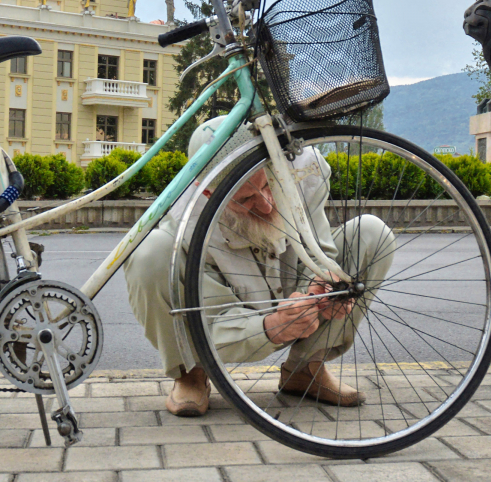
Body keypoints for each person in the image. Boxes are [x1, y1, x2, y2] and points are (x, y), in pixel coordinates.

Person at [124, 116, 395, 417]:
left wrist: (323, 287)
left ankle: (306, 368)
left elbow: (320, 248)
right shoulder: (185, 222)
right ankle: (190, 373)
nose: (266, 204)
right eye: (246, 198)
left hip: (290, 285)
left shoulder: (303, 167)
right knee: (148, 254)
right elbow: (210, 322)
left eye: (269, 185)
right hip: (233, 309)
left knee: (373, 233)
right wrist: (273, 327)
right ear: (208, 194)